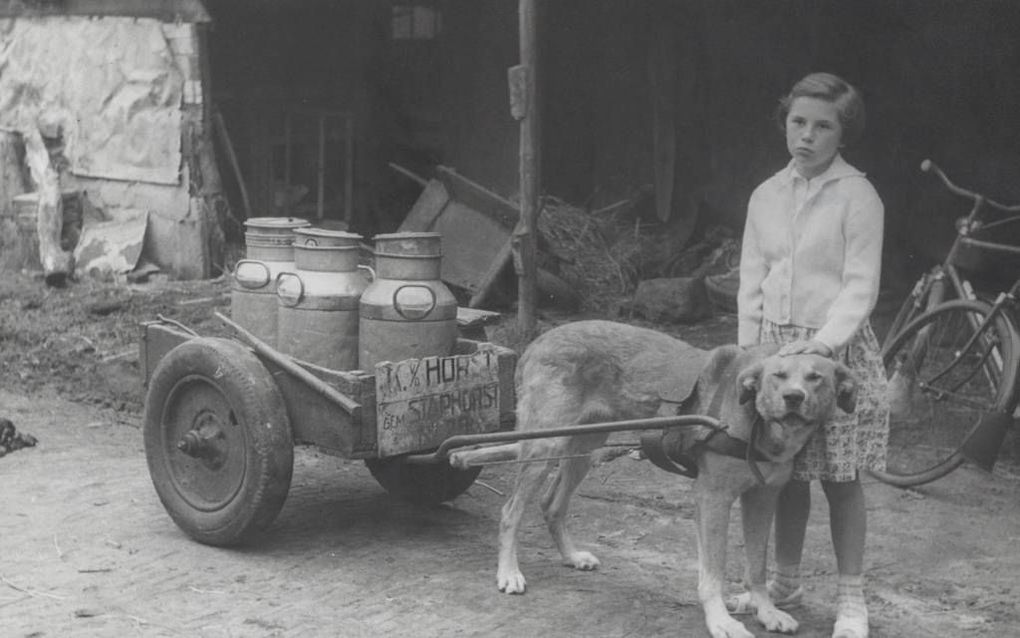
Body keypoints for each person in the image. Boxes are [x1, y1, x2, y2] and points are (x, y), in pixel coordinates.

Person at [731, 72, 889, 638]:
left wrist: (824, 344)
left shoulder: (858, 196)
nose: (807, 136)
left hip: (831, 354)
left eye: (824, 126)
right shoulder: (766, 195)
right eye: (798, 122)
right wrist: (749, 352)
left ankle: (852, 599)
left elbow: (860, 285)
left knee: (839, 478)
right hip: (776, 355)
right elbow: (752, 276)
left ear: (844, 133)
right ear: (785, 123)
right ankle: (784, 581)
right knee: (783, 473)